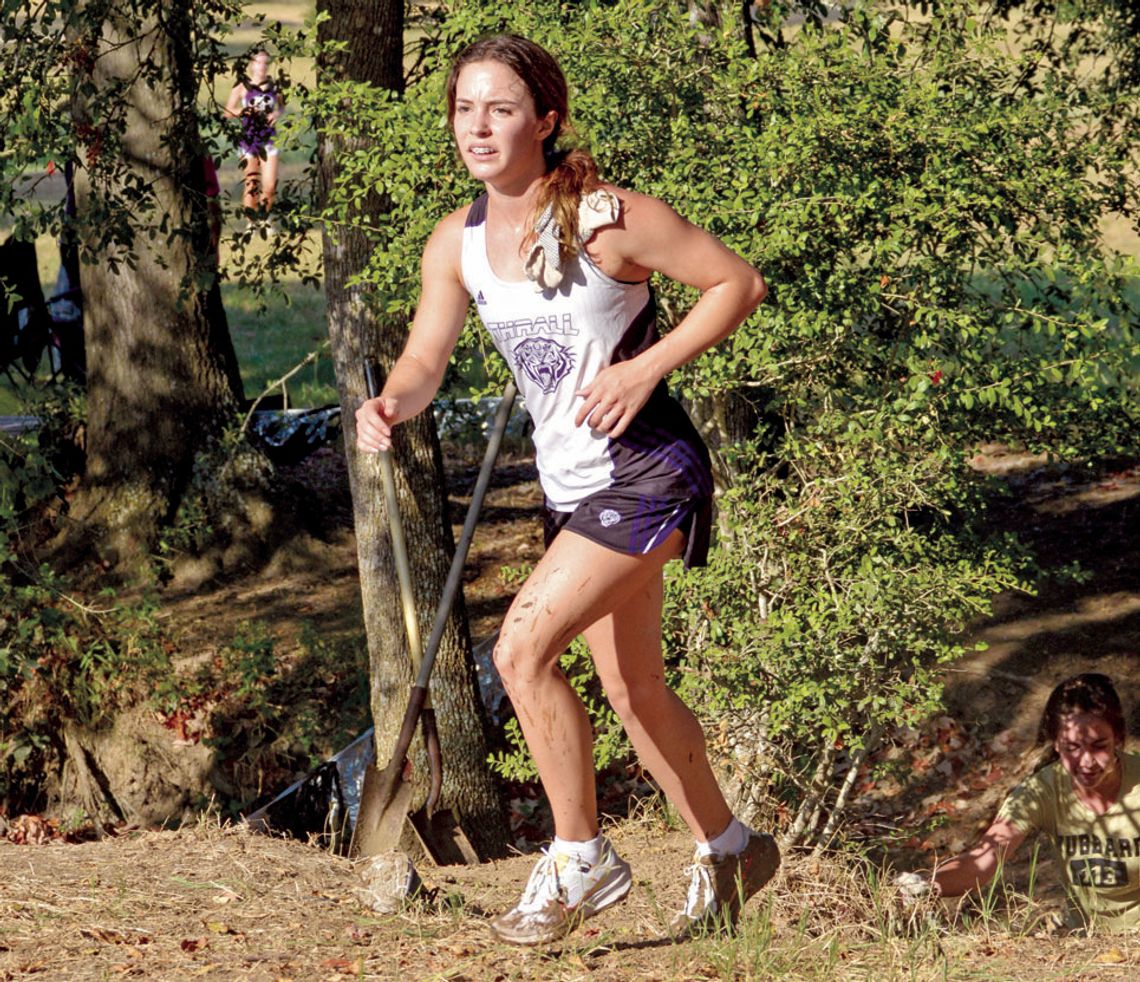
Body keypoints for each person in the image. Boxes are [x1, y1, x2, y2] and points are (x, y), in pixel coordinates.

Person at [354, 34, 778, 945]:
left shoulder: (605, 217)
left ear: (545, 120)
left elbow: (736, 283)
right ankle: (733, 844)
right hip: (572, 489)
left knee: (519, 650)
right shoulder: (457, 243)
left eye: (500, 108)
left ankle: (580, 856)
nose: (479, 125)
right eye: (465, 107)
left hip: (650, 469)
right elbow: (426, 358)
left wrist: (645, 369)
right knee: (634, 694)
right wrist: (391, 402)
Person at [896, 674, 1140, 932]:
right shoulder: (1042, 791)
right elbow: (980, 862)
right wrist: (926, 883)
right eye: (1072, 747)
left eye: (1098, 745)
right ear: (1056, 743)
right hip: (1084, 940)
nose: (1086, 761)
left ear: (1118, 738)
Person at [224, 49, 282, 213]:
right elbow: (227, 112)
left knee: (270, 186)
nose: (262, 66)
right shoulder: (243, 85)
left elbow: (281, 107)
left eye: (266, 63)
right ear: (251, 64)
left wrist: (276, 113)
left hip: (270, 139)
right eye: (258, 62)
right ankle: (251, 223)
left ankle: (264, 219)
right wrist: (246, 111)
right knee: (252, 184)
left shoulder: (274, 85)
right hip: (249, 140)